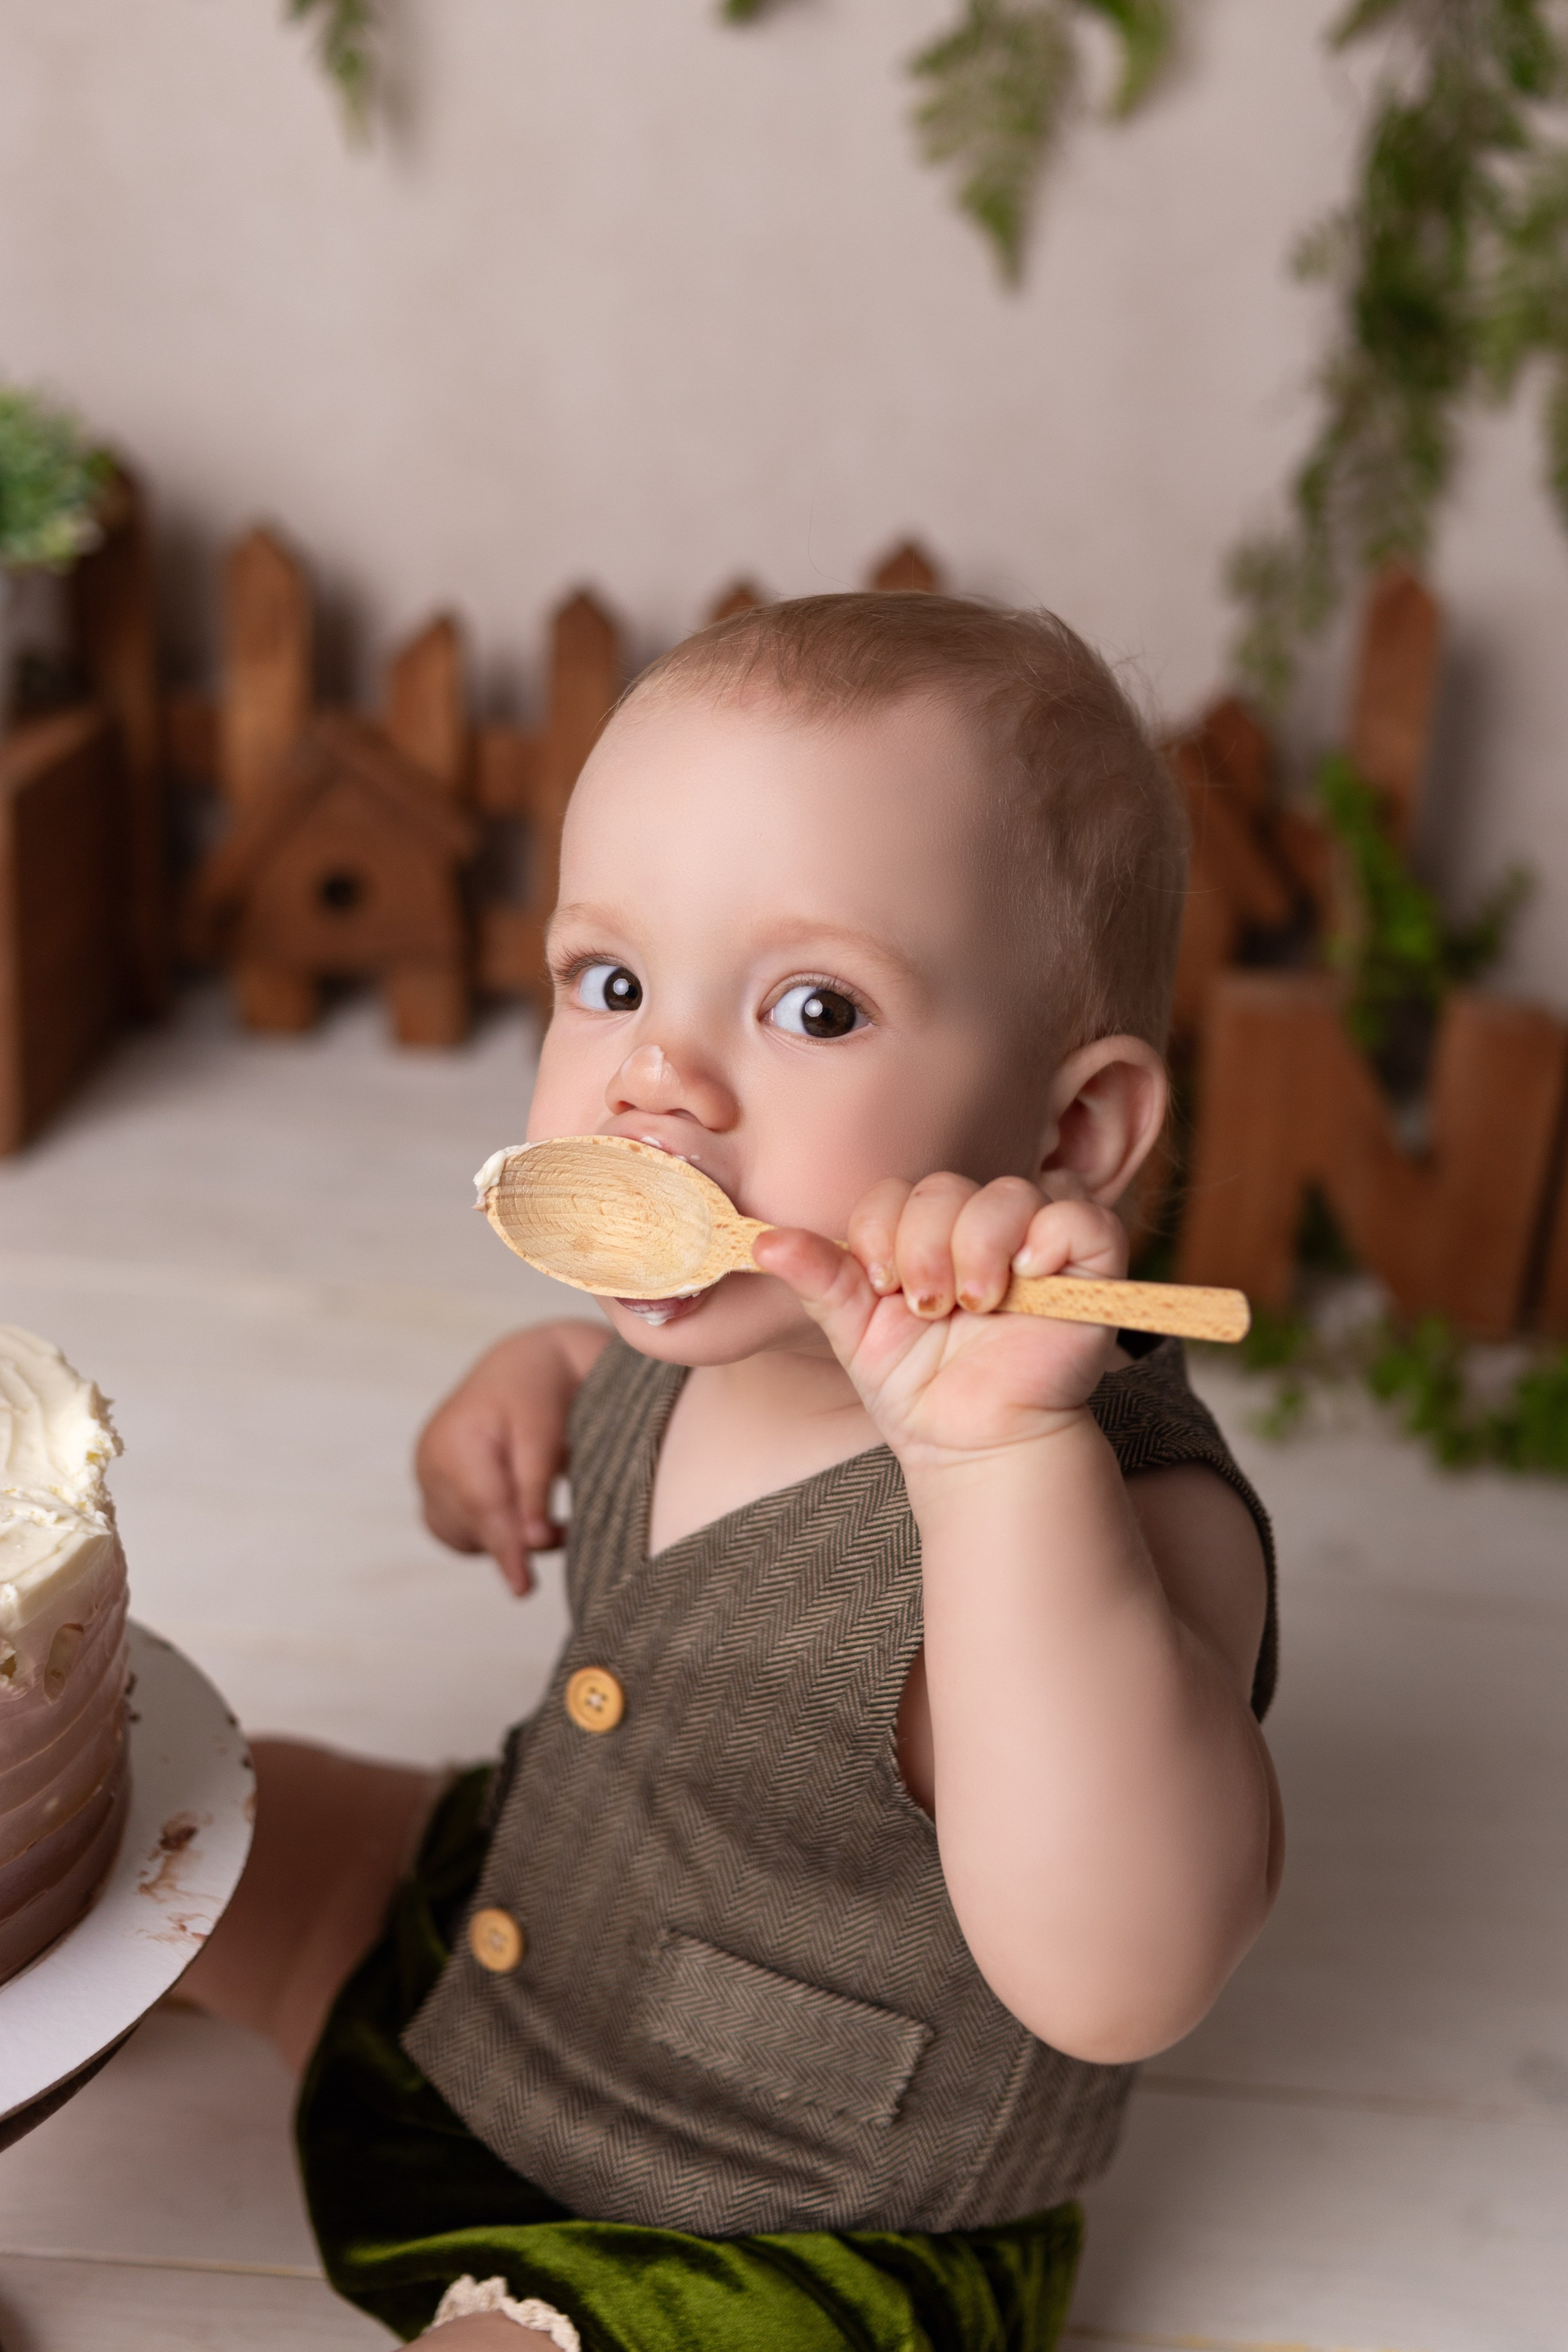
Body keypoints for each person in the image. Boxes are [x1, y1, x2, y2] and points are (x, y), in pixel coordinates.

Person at [187, 592, 1281, 2351]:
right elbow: (612, 1394)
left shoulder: (1127, 1518)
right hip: (510, 1940)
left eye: (815, 1007)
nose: (654, 1077)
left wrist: (1000, 1464)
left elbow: (1122, 1973)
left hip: (789, 2217)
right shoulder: (695, 1327)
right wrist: (521, 1384)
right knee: (173, 1816)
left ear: (1067, 1135)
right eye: (608, 981)